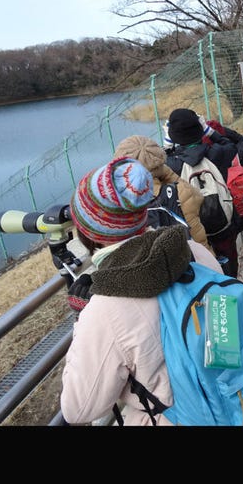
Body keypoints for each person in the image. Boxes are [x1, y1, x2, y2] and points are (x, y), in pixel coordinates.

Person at [60, 156, 223, 426]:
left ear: (90, 232)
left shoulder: (105, 308)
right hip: (223, 396)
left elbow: (79, 409)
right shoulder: (192, 250)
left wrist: (82, 319)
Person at [165, 108, 241, 276]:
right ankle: (232, 286)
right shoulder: (217, 153)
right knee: (229, 266)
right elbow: (232, 145)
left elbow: (159, 166)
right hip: (224, 225)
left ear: (174, 135)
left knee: (206, 271)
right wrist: (210, 131)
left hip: (195, 231)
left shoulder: (173, 164)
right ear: (200, 129)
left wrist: (168, 145)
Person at [113, 134, 215, 257]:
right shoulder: (180, 191)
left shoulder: (117, 203)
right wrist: (168, 174)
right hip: (197, 259)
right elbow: (198, 197)